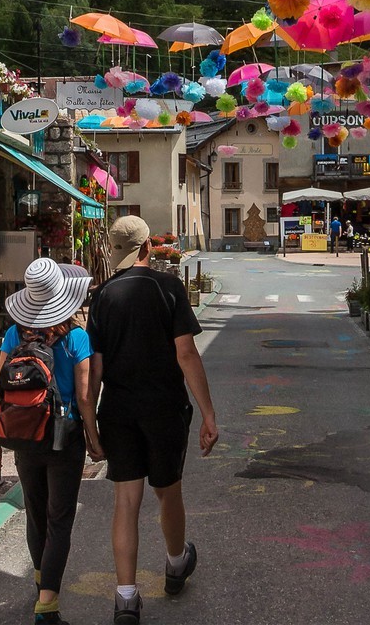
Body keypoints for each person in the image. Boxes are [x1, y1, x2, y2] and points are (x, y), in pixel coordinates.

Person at [88, 216, 219, 625]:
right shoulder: (168, 288)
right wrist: (208, 413)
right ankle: (176, 563)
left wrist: (91, 424)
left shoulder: (102, 296)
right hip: (164, 409)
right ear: (147, 248)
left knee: (126, 501)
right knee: (168, 490)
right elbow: (186, 354)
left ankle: (126, 598)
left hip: (118, 411)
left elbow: (95, 368)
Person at [0, 258, 102, 625]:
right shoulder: (78, 337)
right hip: (63, 439)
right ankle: (47, 605)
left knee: (36, 516)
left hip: (22, 435)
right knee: (60, 519)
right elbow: (85, 397)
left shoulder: (13, 335)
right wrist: (94, 440)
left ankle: (41, 583)